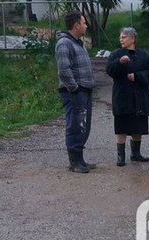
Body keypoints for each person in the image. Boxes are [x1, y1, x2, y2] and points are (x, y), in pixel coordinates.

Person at [106, 27, 149, 166]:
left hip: (139, 97)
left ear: (133, 39)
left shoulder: (144, 56)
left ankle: (136, 153)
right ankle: (121, 156)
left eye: (124, 37)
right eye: (120, 37)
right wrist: (119, 62)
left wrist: (137, 76)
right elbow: (109, 70)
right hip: (122, 96)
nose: (121, 39)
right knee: (121, 126)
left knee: (138, 126)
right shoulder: (115, 54)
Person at [55, 11, 96, 173]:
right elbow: (64, 70)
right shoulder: (64, 43)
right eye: (84, 22)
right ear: (76, 25)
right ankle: (74, 161)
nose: (86, 25)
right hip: (74, 91)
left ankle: (80, 159)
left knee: (83, 125)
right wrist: (75, 89)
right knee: (75, 124)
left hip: (84, 90)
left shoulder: (78, 43)